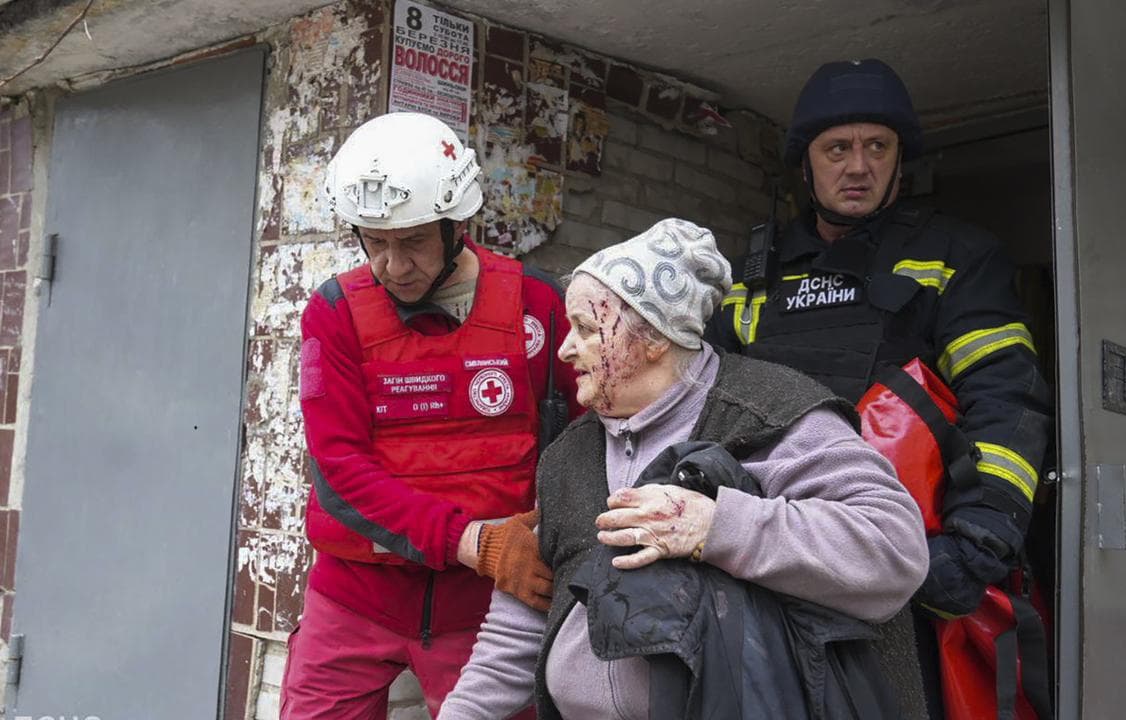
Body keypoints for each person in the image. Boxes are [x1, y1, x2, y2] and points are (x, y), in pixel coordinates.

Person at [436, 218, 930, 720]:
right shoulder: (568, 456)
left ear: (651, 335)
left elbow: (894, 549)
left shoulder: (771, 412)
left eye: (585, 328)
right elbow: (517, 631)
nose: (565, 348)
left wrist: (714, 527)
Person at [705, 59, 1054, 717]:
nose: (858, 165)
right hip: (769, 560)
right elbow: (709, 407)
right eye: (838, 148)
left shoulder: (956, 258)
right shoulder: (754, 276)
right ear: (805, 164)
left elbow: (1007, 400)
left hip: (902, 573)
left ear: (901, 159)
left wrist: (975, 544)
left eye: (877, 147)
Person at [280, 112, 580, 720]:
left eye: (413, 240)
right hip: (355, 597)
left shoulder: (538, 304)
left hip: (489, 609)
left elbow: (582, 444)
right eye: (374, 240)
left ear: (456, 225)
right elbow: (339, 469)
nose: (392, 265)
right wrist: (473, 541)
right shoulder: (335, 312)